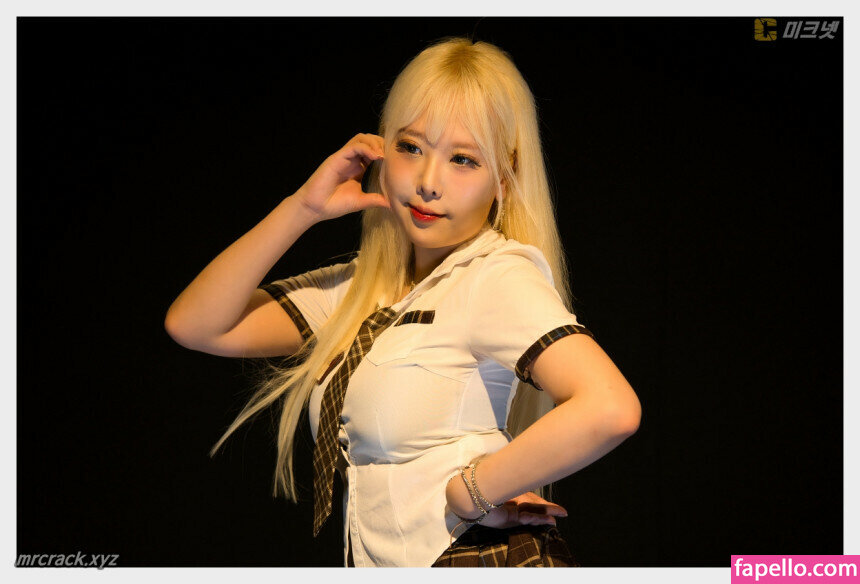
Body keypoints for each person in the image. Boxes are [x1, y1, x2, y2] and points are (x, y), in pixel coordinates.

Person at [164, 36, 641, 568]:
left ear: (504, 178)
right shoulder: (356, 293)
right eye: (411, 148)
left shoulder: (494, 275)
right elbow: (196, 325)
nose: (428, 183)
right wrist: (303, 208)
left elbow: (609, 407)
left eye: (463, 159)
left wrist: (473, 492)